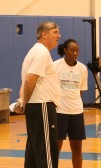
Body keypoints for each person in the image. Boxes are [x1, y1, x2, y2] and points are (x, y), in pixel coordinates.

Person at [20, 21, 61, 168]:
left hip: (36, 107)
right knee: (47, 153)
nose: (59, 35)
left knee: (34, 152)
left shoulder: (35, 51)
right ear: (44, 34)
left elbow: (27, 80)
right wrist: (24, 102)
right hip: (42, 106)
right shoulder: (42, 52)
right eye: (55, 32)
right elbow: (30, 79)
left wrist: (23, 102)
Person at [54, 39, 88, 168]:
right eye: (72, 50)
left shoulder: (82, 68)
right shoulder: (55, 66)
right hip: (59, 111)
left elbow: (80, 91)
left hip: (76, 112)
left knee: (77, 147)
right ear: (65, 50)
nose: (75, 53)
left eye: (77, 51)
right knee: (56, 147)